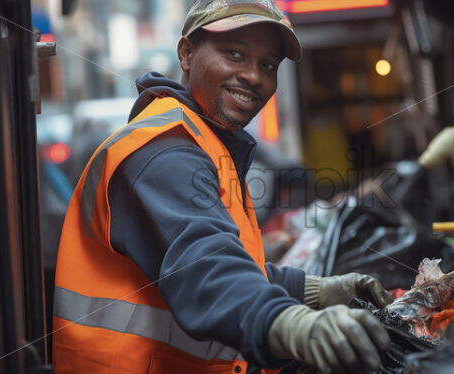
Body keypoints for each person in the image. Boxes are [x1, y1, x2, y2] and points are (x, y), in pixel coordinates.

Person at [51, 1, 394, 373]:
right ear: (186, 54)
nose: (254, 76)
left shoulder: (202, 142)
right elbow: (205, 266)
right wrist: (289, 322)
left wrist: (314, 290)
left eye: (268, 64)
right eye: (234, 54)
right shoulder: (163, 152)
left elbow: (226, 258)